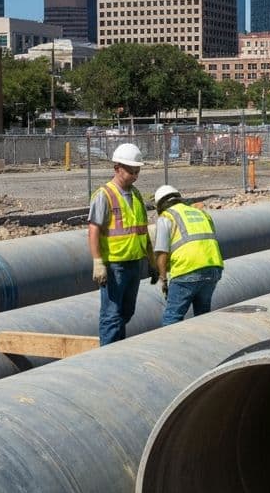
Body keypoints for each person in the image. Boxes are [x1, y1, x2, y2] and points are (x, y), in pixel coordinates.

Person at [88, 143, 155, 345]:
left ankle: (117, 346)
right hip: (115, 264)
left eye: (137, 171)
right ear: (117, 169)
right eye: (131, 171)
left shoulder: (136, 194)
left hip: (134, 262)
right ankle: (107, 352)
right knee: (112, 314)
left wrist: (151, 260)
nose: (135, 175)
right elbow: (93, 230)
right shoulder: (104, 195)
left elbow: (142, 230)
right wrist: (98, 262)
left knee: (127, 311)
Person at [152, 184, 224, 325]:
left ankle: (169, 346)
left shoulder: (166, 217)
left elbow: (161, 252)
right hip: (213, 268)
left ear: (160, 205)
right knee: (202, 317)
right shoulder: (201, 213)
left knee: (172, 318)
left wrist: (163, 278)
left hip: (186, 270)